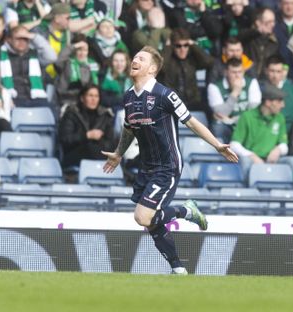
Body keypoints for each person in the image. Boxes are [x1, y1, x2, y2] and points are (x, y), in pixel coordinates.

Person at [102, 46, 238, 274]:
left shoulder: (165, 95)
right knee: (152, 222)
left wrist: (216, 144)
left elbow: (192, 122)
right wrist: (118, 153)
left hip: (167, 166)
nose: (135, 60)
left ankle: (186, 210)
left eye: (141, 58)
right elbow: (128, 129)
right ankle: (177, 268)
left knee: (142, 216)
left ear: (152, 69)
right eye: (135, 56)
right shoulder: (128, 97)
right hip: (146, 167)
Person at [230, 82, 293, 180]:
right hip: (252, 159)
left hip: (273, 159)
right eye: (279, 101)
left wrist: (278, 150)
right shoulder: (247, 116)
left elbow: (284, 145)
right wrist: (251, 155)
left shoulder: (280, 118)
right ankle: (248, 191)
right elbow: (234, 145)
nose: (283, 105)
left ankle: (291, 191)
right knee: (245, 162)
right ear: (268, 102)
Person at [59, 84, 116, 168]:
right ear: (82, 98)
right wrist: (87, 135)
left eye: (96, 96)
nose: (94, 99)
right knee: (89, 148)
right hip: (74, 155)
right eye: (90, 95)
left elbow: (110, 142)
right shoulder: (71, 114)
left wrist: (99, 143)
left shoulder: (105, 115)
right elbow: (65, 139)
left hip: (98, 153)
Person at [208, 57, 262, 143]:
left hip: (245, 123)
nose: (237, 76)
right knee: (218, 126)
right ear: (226, 72)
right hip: (225, 126)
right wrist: (235, 93)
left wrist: (232, 120)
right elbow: (220, 114)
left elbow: (254, 111)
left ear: (243, 72)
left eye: (240, 72)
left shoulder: (252, 83)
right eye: (233, 72)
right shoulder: (214, 87)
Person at [263, 54, 293, 132]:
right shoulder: (259, 88)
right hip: (267, 129)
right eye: (272, 71)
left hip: (292, 130)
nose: (275, 75)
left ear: (283, 72)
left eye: (278, 71)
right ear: (266, 71)